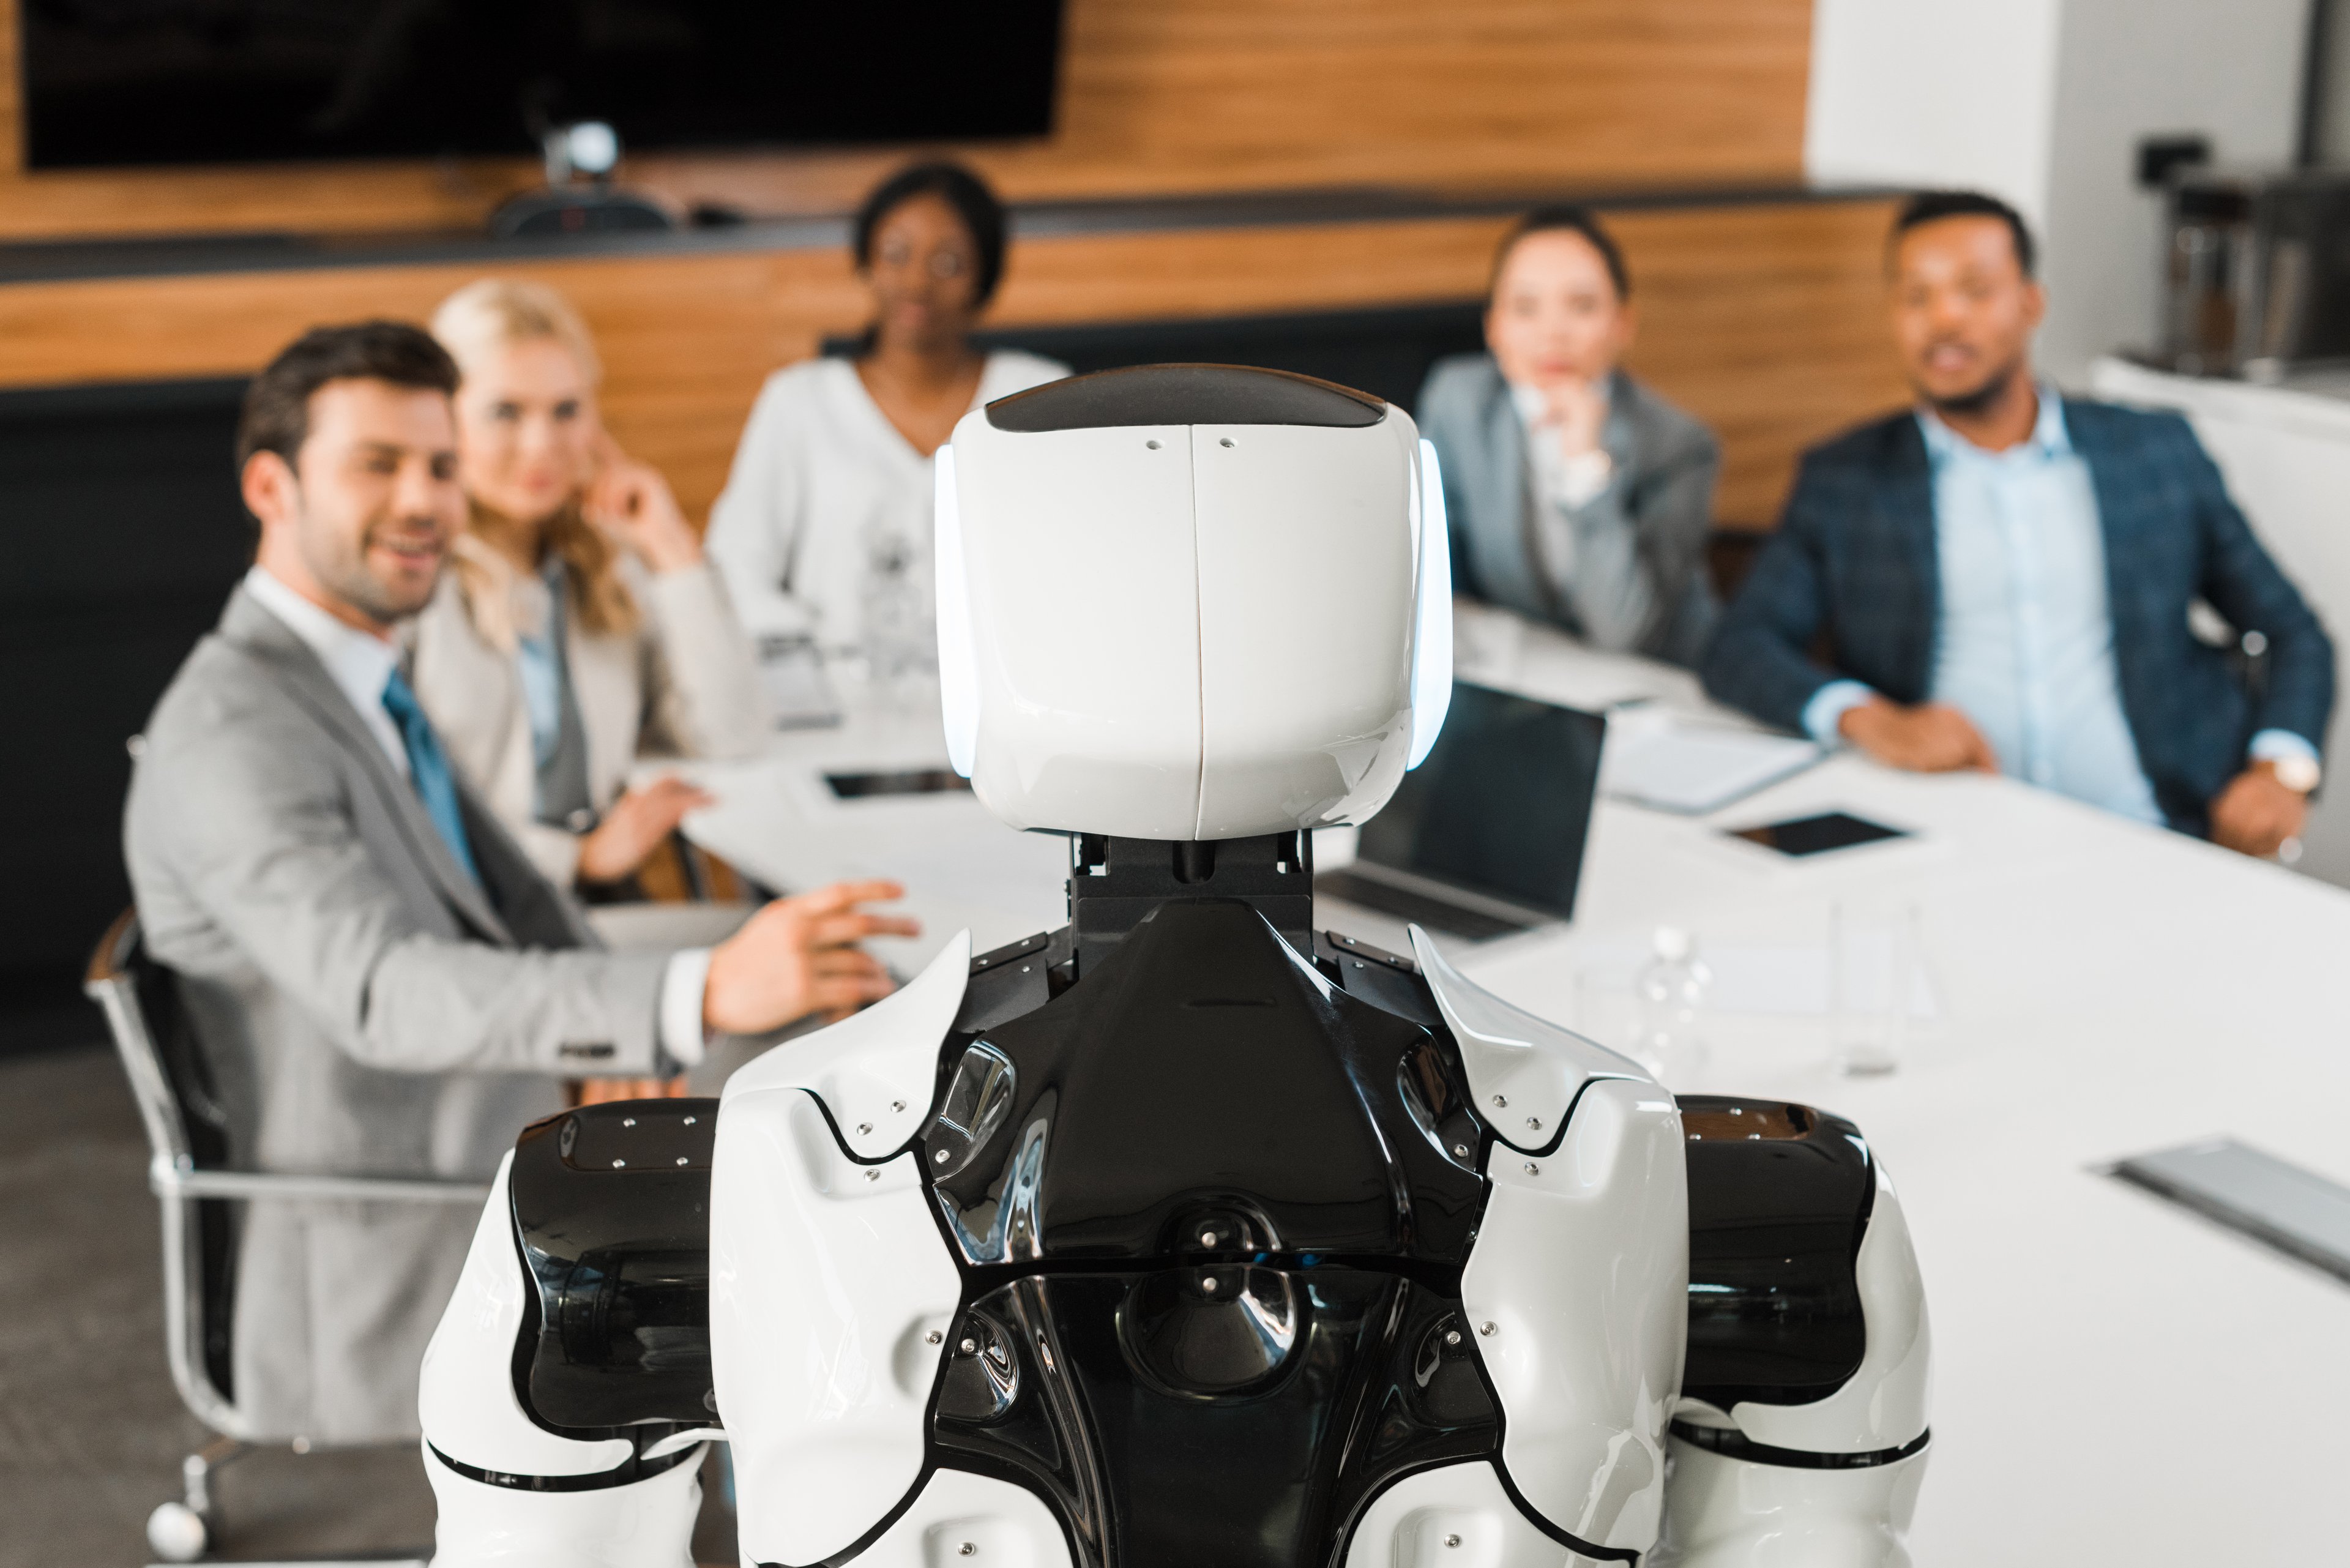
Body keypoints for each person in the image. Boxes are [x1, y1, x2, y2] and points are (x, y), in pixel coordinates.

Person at [122, 321, 916, 1443]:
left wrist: (620, 1040)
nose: (425, 501)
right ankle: (814, 1429)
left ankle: (804, 1422)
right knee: (817, 1080)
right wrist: (680, 998)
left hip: (480, 1112)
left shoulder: (353, 672)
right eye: (377, 465)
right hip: (398, 1206)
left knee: (833, 1015)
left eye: (440, 467)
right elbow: (384, 992)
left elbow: (509, 899)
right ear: (271, 485)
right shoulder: (235, 728)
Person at [1701, 191, 2334, 854]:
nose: (1943, 320)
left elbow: (2294, 633)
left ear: (2031, 304)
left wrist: (2280, 772)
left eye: (1974, 291)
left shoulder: (2156, 453)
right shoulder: (1846, 479)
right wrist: (1868, 719)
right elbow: (1740, 648)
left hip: (2151, 830)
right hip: (1946, 839)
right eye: (1916, 297)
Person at [414, 278, 767, 893]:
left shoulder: (603, 568)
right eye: (506, 412)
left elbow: (730, 733)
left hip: (590, 909)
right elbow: (399, 806)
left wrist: (673, 553)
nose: (543, 445)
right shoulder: (413, 582)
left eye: (567, 410)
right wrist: (575, 859)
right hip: (472, 913)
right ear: (445, 420)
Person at [704, 160, 1067, 675]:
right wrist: (812, 661)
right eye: (896, 254)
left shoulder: (1041, 394)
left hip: (1004, 708)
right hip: (836, 713)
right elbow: (734, 567)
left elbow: (1080, 564)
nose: (917, 281)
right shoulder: (798, 401)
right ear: (865, 263)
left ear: (985, 278)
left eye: (948, 263)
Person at [1417, 206, 1720, 666]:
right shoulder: (1457, 403)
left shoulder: (1681, 446)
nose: (1552, 332)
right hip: (1527, 671)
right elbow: (1434, 575)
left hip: (1656, 679)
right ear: (1493, 327)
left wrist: (1584, 464)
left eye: (1581, 306)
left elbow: (1623, 631)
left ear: (1623, 323)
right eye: (1525, 307)